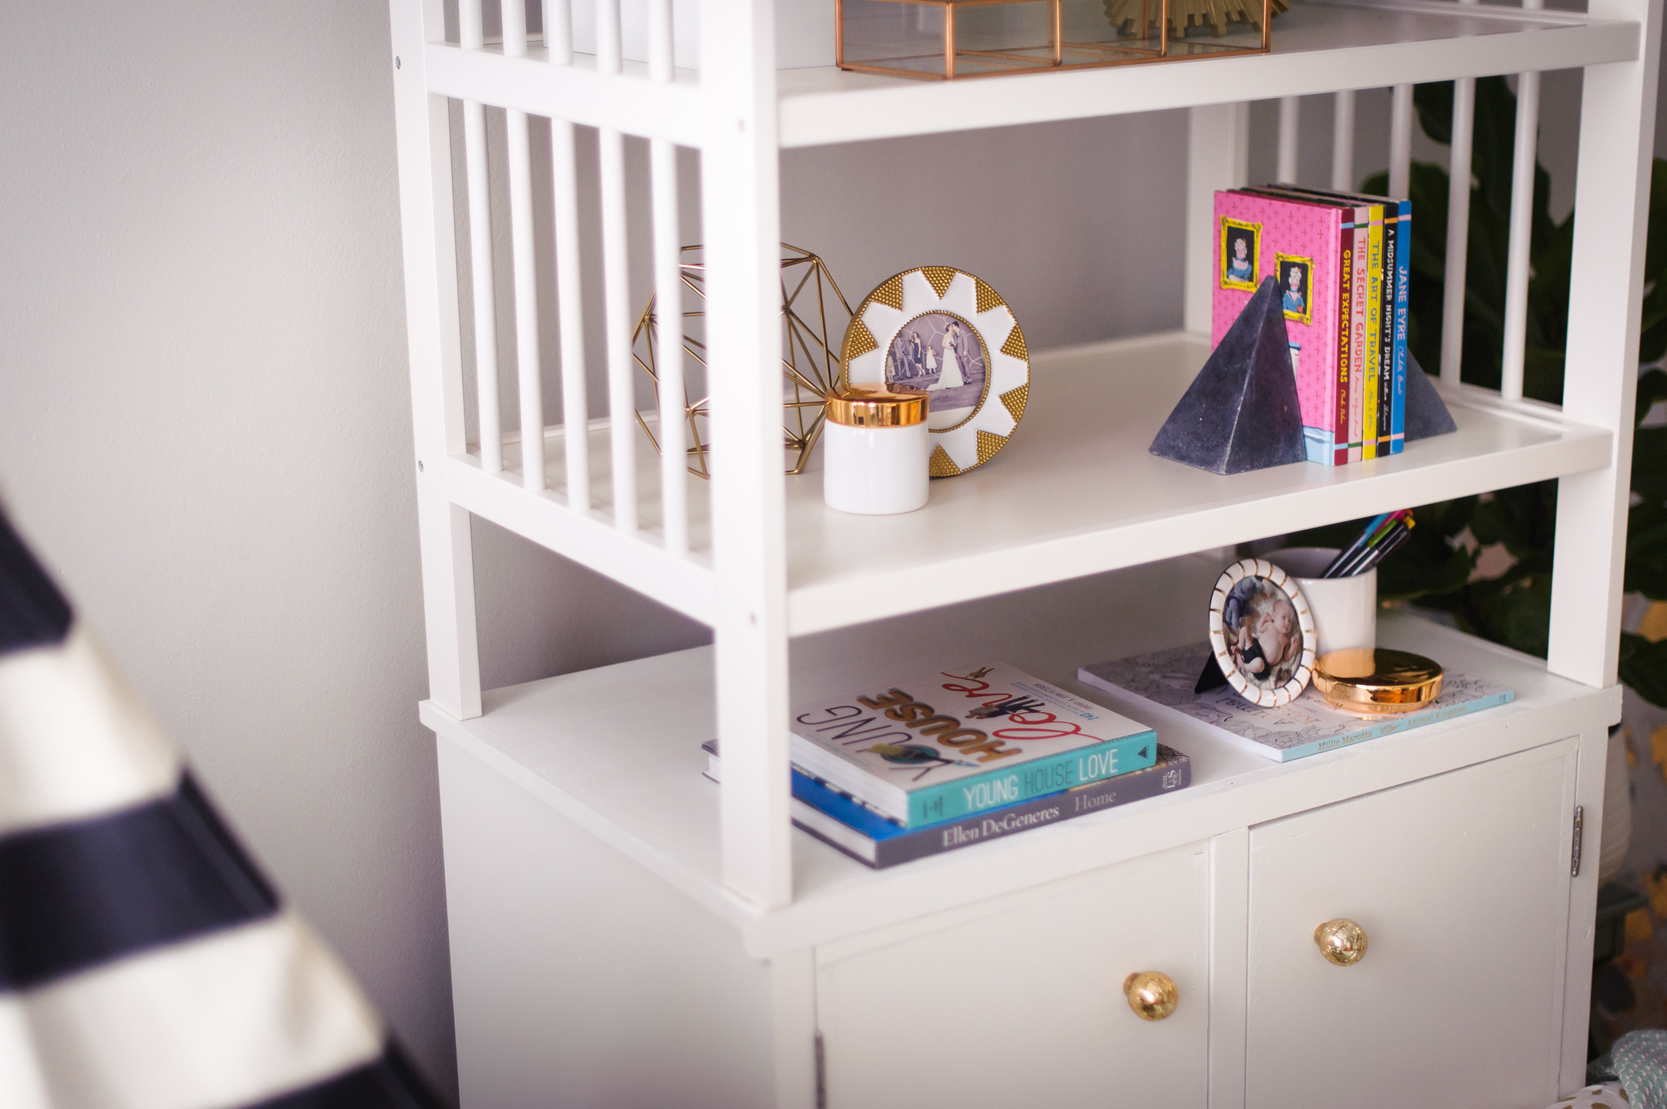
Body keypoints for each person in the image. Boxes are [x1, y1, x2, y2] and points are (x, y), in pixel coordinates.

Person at [930, 319, 966, 392]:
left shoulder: (952, 335)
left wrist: (953, 346)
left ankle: (956, 382)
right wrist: (948, 347)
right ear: (949, 328)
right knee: (948, 365)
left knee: (953, 365)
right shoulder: (946, 335)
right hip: (947, 352)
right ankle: (949, 383)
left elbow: (953, 344)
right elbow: (943, 344)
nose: (952, 328)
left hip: (952, 352)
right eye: (951, 327)